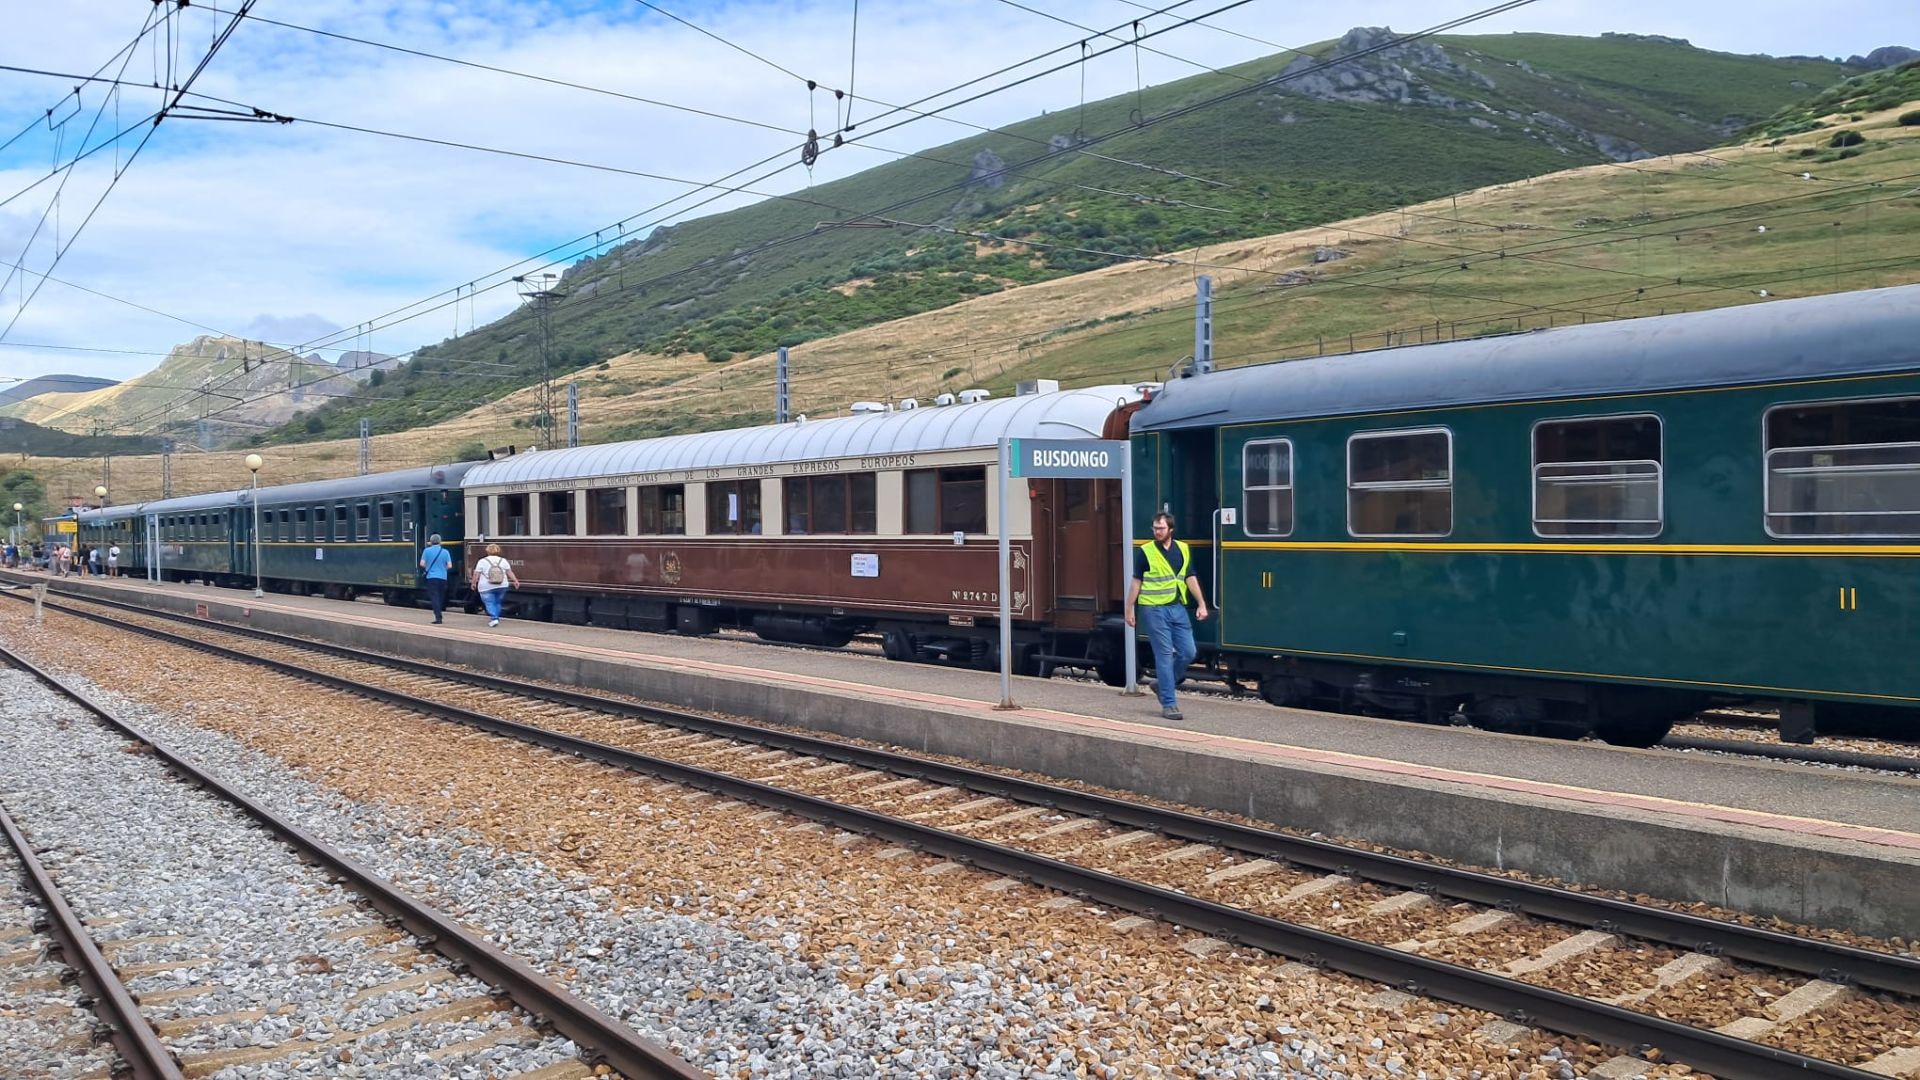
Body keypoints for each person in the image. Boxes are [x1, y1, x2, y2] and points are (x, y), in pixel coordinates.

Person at [1125, 511, 1210, 721]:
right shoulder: (1145, 552)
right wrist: (1129, 609)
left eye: (1161, 528)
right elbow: (1137, 582)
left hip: (1177, 607)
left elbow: (1189, 577)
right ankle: (1169, 703)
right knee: (1163, 655)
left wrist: (1201, 604)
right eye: (1155, 528)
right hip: (1153, 609)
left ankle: (1161, 684)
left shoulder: (1183, 549)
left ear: (1170, 529)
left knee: (1188, 652)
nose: (1157, 532)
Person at [469, 543, 520, 627]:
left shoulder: (482, 561)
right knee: (497, 602)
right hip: (502, 585)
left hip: (486, 586)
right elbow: (509, 572)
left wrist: (474, 583)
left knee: (489, 602)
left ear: (487, 551)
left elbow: (476, 574)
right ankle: (496, 617)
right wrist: (515, 581)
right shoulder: (503, 560)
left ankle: (494, 618)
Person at [418, 533, 453, 624]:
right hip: (443, 578)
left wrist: (428, 567)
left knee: (434, 597)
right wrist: (442, 569)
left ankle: (438, 617)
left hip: (431, 577)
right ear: (440, 541)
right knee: (440, 597)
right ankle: (439, 612)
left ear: (431, 542)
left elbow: (422, 564)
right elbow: (449, 566)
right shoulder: (445, 552)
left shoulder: (427, 551)